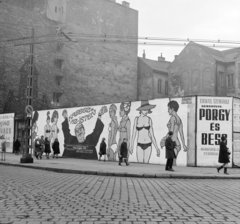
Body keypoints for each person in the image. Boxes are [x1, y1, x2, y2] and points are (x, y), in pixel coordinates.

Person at [161, 100, 187, 165]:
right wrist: (183, 144)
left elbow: (171, 131)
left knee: (171, 162)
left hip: (172, 143)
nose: (168, 111)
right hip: (177, 144)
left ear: (172, 109)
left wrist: (164, 140)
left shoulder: (172, 118)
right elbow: (181, 133)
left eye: (169, 109)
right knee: (173, 162)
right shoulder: (179, 119)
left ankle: (171, 171)